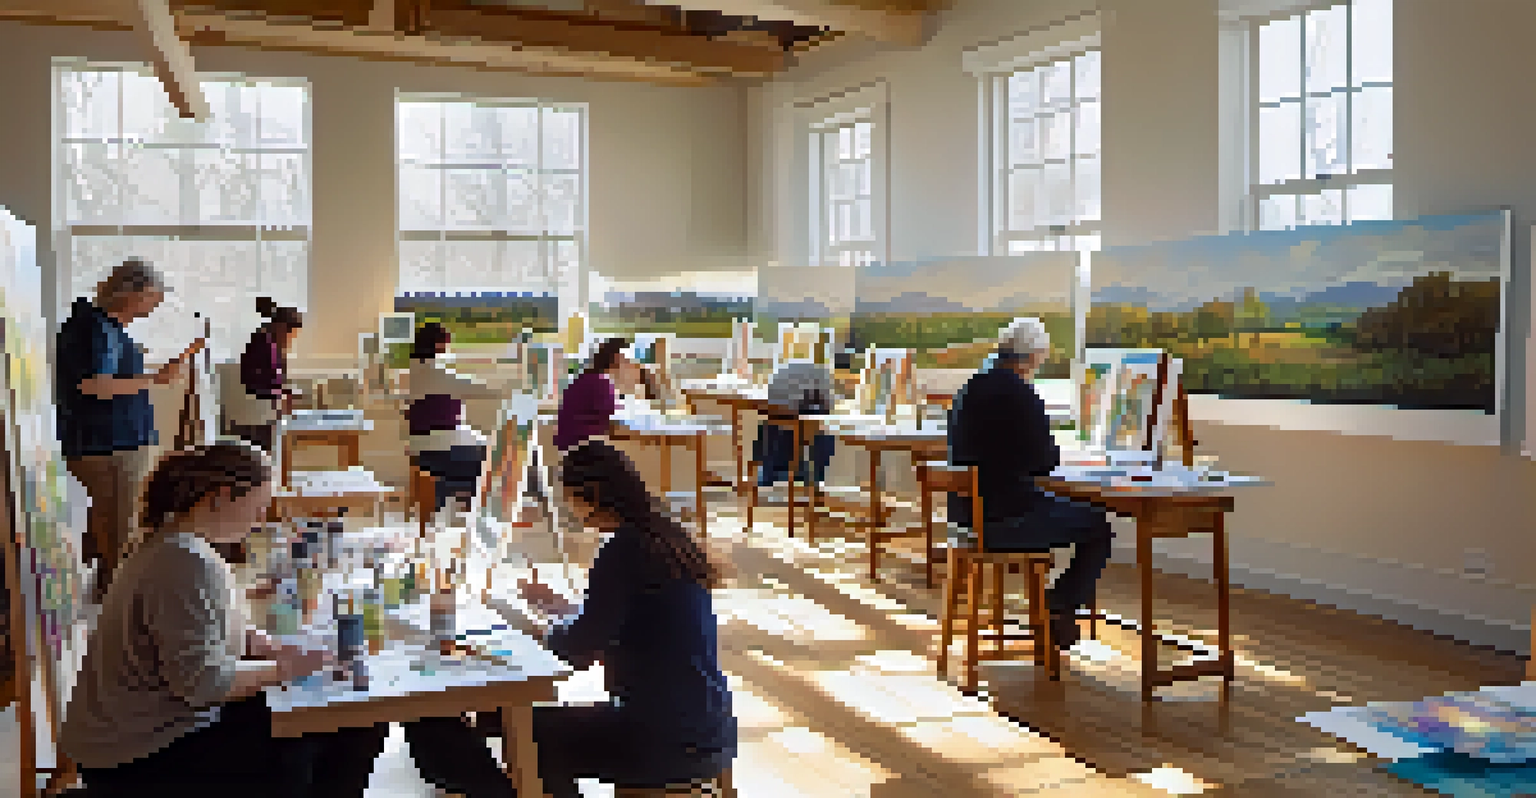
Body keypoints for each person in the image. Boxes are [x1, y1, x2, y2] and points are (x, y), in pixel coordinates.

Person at [401, 439, 737, 798]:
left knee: (524, 733)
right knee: (517, 725)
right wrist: (561, 608)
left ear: (589, 496)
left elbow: (575, 653)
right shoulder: (666, 538)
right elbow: (629, 621)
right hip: (709, 725)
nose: (570, 510)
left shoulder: (622, 549)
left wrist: (532, 632)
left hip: (663, 737)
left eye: (571, 500)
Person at [60, 442, 387, 798]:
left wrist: (258, 642)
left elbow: (195, 623)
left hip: (140, 737)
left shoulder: (176, 542)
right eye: (259, 506)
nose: (261, 519)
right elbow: (202, 684)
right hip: (137, 758)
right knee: (339, 728)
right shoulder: (184, 560)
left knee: (341, 715)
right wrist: (285, 667)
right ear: (221, 497)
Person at [947, 317, 1113, 651]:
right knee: (1098, 526)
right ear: (1034, 356)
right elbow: (1045, 460)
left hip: (967, 518)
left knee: (1071, 514)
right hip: (1006, 520)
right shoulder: (1020, 394)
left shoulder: (970, 388)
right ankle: (1060, 604)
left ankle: (1056, 610)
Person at [55, 258, 183, 601]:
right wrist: (155, 379)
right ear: (132, 292)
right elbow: (95, 384)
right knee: (119, 529)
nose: (155, 305)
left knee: (113, 527)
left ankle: (112, 595)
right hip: (110, 443)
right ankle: (119, 602)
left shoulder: (104, 327)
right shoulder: (95, 327)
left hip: (115, 440)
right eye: (152, 297)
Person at [407, 321, 504, 514]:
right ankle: (477, 509)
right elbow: (479, 389)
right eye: (446, 344)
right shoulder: (435, 373)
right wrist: (511, 391)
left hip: (428, 444)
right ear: (438, 345)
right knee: (494, 456)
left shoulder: (416, 371)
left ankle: (463, 502)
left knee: (484, 446)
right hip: (439, 448)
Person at [230, 297, 303, 452]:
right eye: (291, 333)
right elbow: (254, 384)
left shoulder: (269, 343)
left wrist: (284, 392)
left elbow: (271, 381)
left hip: (262, 407)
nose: (291, 339)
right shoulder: (264, 344)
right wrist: (282, 395)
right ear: (282, 328)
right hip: (255, 412)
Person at [755, 359, 836, 487]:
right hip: (795, 429)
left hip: (776, 426)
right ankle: (815, 478)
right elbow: (828, 406)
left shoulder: (782, 376)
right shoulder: (821, 376)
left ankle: (776, 473)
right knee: (826, 438)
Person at [552, 336, 628, 452]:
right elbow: (611, 416)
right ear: (616, 359)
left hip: (571, 445)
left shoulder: (587, 378)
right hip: (582, 448)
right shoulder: (601, 382)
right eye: (626, 360)